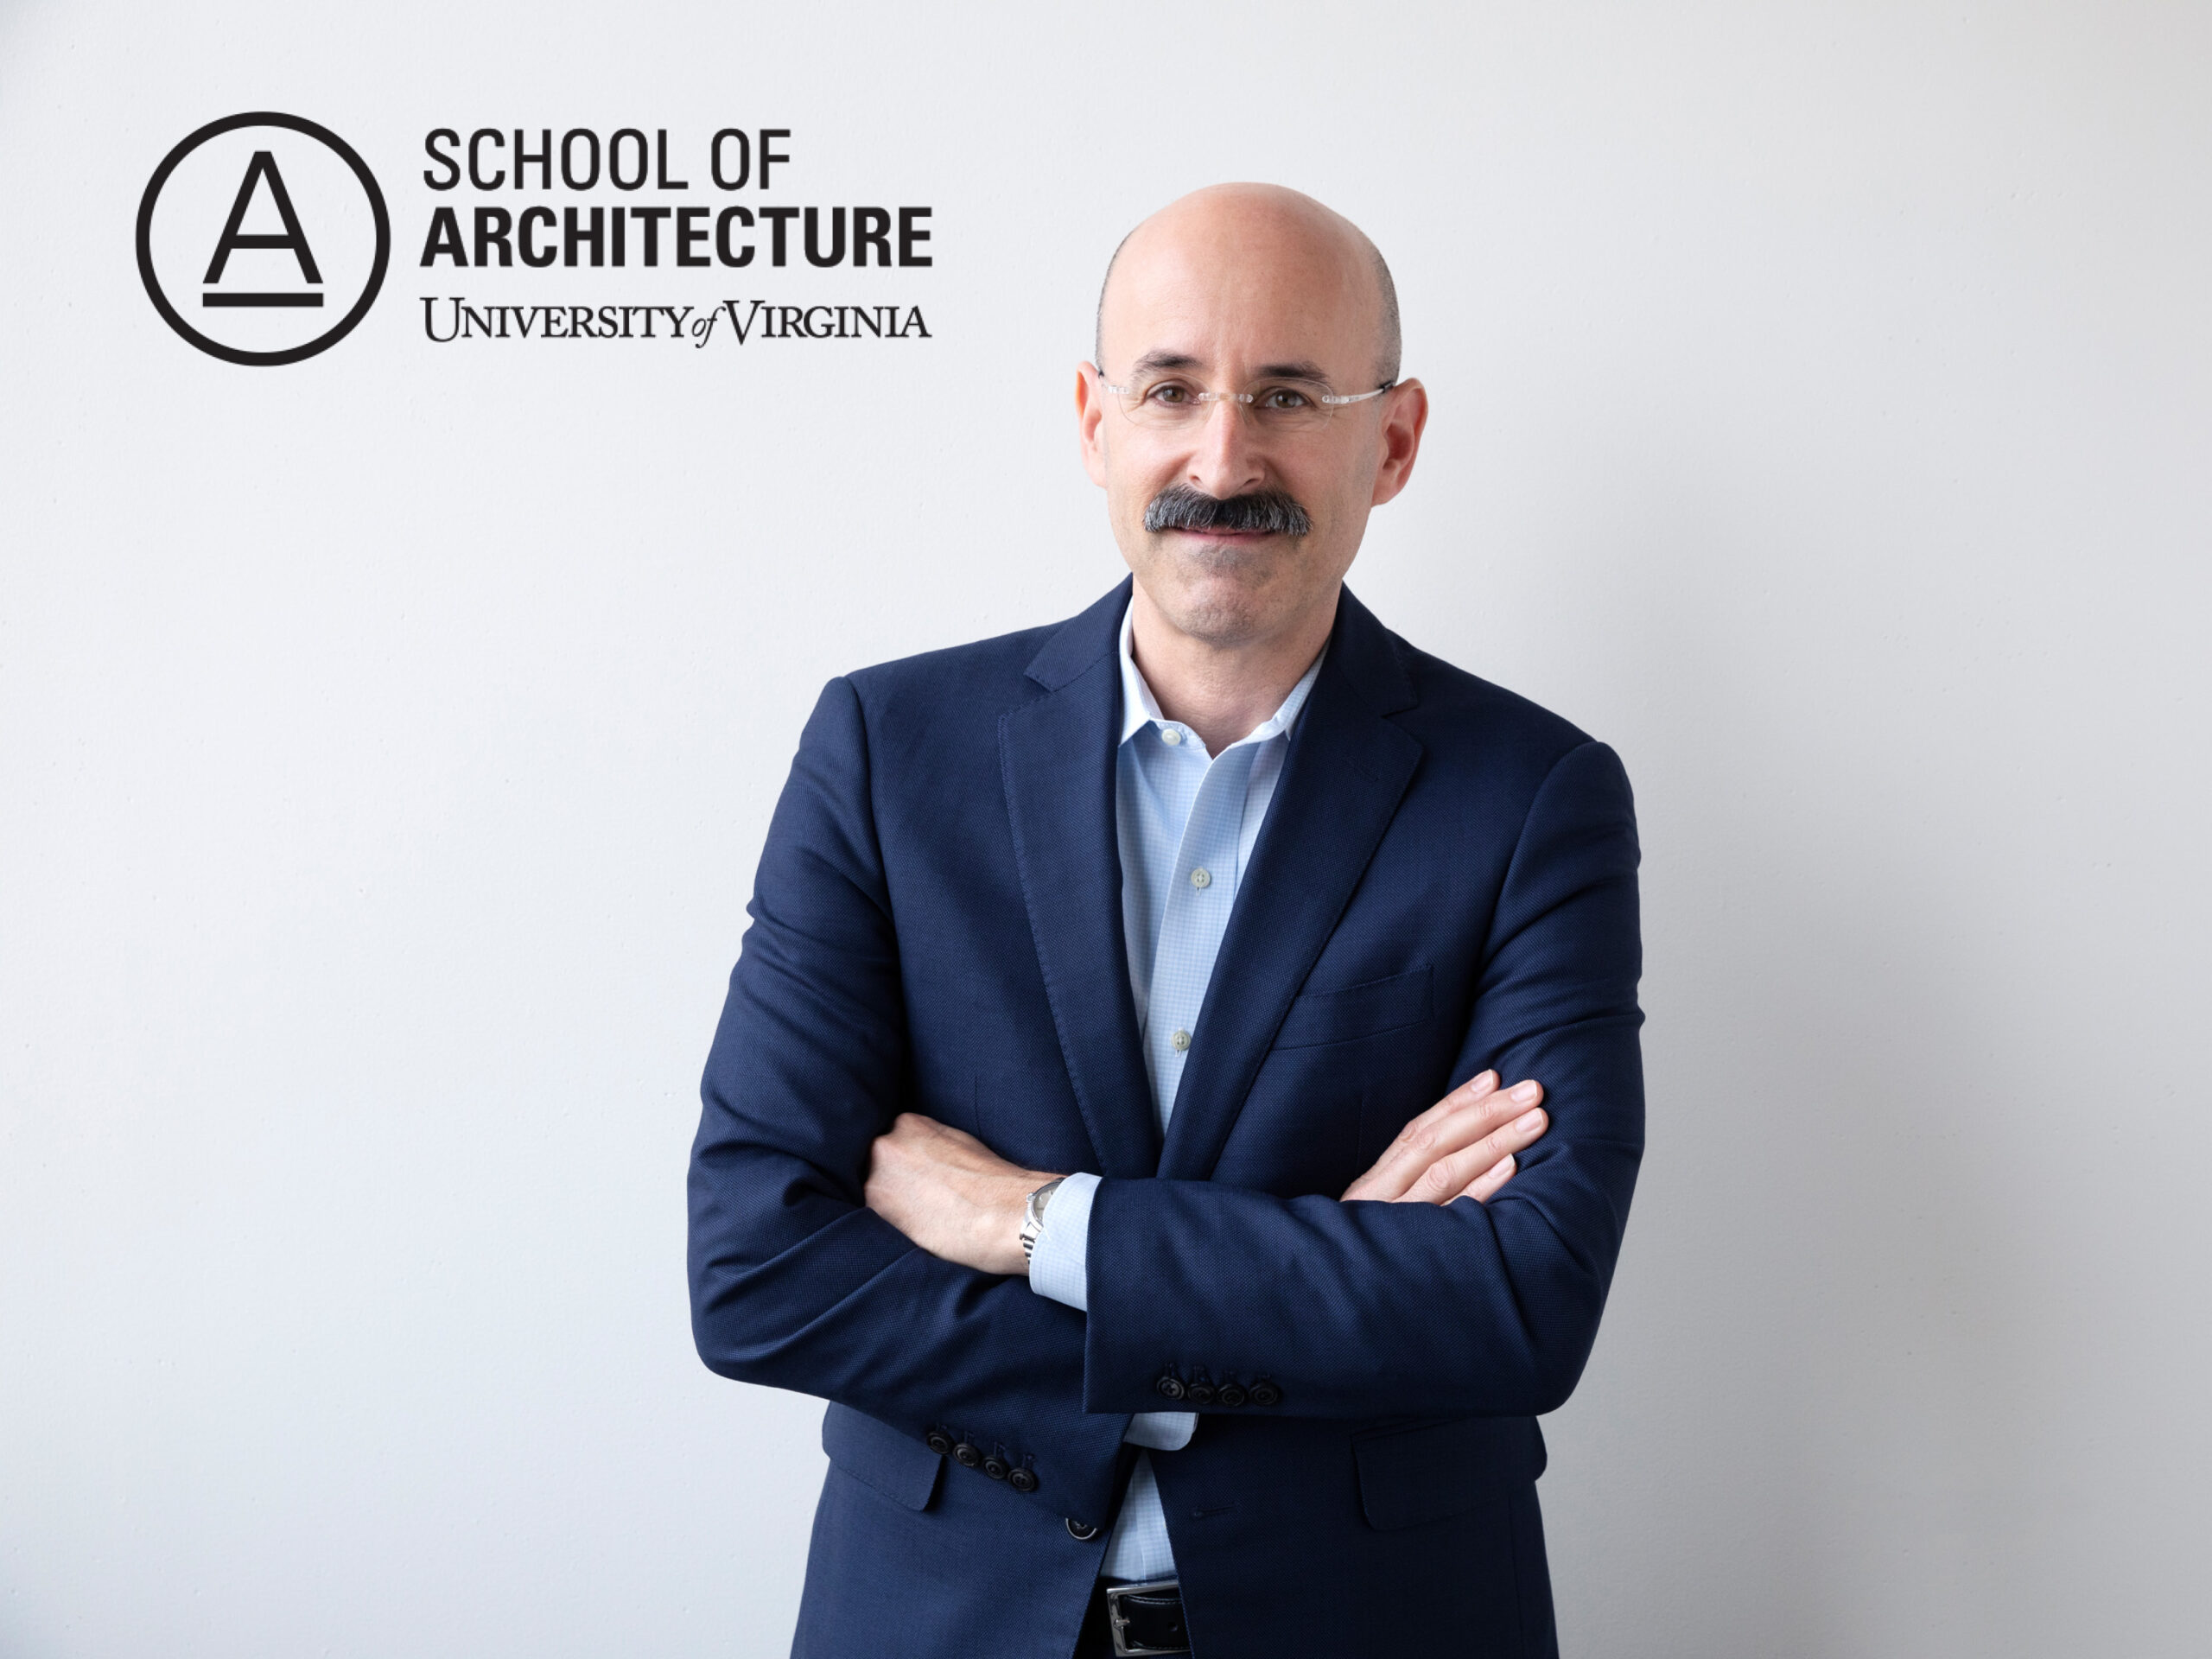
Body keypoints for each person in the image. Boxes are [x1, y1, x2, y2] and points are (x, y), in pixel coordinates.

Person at [688, 182, 1643, 1658]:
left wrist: (1031, 1223)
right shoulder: (887, 751)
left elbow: (1523, 1300)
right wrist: (1309, 1276)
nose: (1221, 454)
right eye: (1170, 389)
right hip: (942, 1617)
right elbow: (755, 1267)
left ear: (1390, 441)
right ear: (1092, 422)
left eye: (1286, 394)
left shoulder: (1533, 798)